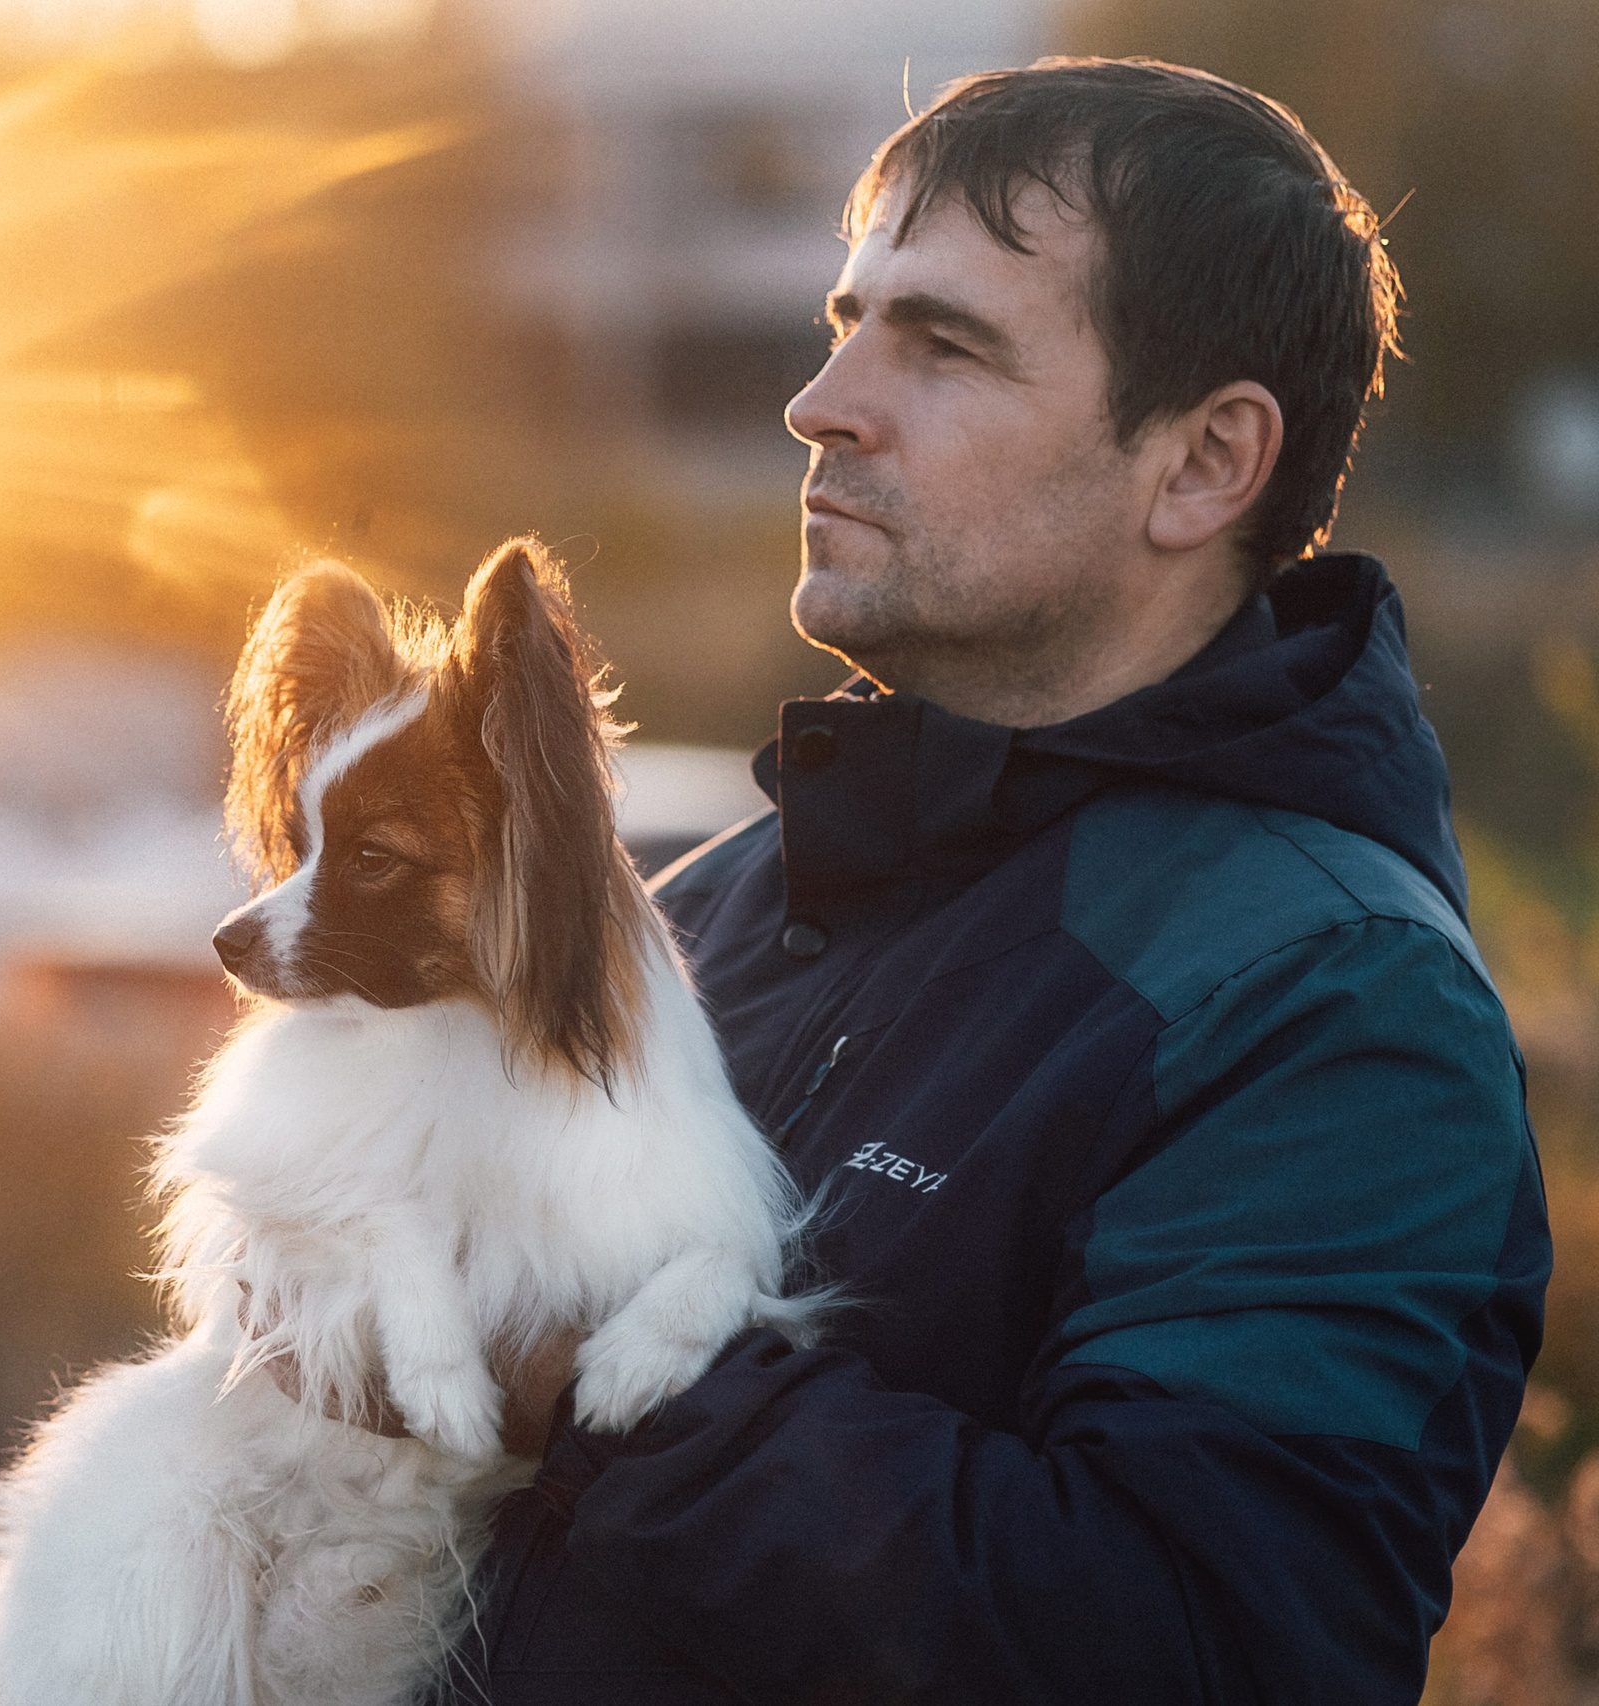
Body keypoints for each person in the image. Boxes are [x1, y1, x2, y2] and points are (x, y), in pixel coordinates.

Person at [423, 56, 1551, 1703]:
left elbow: (1185, 1643)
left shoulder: (1335, 1008)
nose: (823, 402)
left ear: (1204, 464)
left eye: (943, 345)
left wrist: (581, 1370)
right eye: (847, 320)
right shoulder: (723, 902)